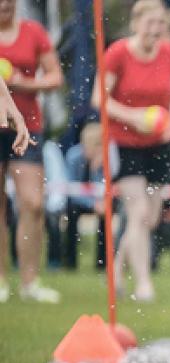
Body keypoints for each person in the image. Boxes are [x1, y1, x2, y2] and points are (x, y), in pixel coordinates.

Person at [92, 0, 170, 302]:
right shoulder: (118, 52)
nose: (155, 30)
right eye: (150, 23)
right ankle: (144, 283)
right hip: (125, 142)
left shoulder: (169, 52)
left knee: (150, 218)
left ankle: (117, 269)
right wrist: (133, 116)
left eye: (160, 23)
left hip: (159, 143)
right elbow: (99, 99)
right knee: (137, 210)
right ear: (136, 24)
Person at [0, 0, 63, 303]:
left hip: (27, 125)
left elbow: (55, 77)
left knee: (33, 203)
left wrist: (23, 83)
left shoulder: (33, 32)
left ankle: (30, 281)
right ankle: (0, 281)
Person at [60, 122, 119, 272]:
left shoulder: (108, 159)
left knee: (106, 215)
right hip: (79, 201)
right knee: (71, 212)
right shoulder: (73, 156)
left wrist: (97, 169)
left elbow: (110, 185)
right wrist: (92, 204)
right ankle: (70, 262)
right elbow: (71, 189)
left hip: (102, 201)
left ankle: (102, 263)